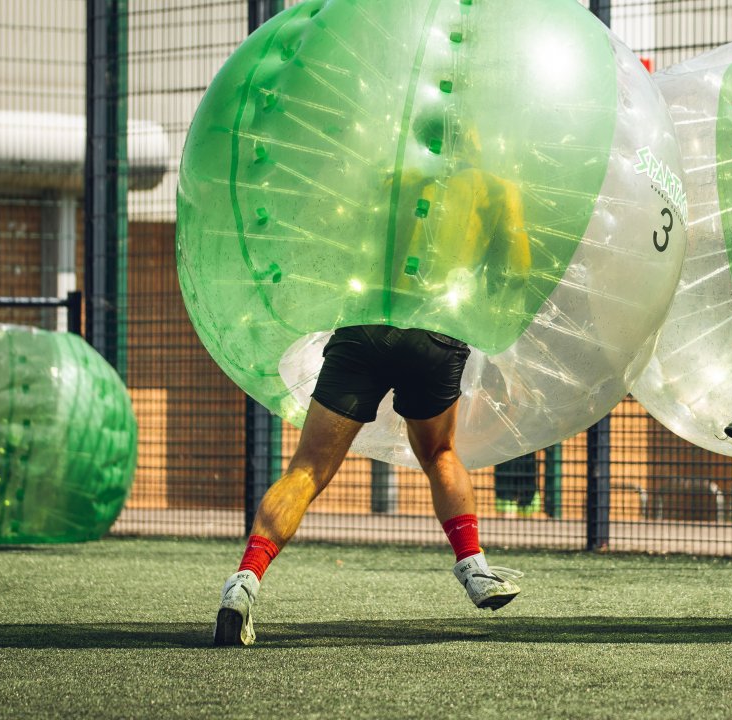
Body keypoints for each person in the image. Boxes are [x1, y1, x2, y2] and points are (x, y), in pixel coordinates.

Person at [215, 162, 533, 647]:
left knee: (307, 469)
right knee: (440, 454)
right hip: (437, 331)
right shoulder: (496, 186)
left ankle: (244, 582)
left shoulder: (394, 175)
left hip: (365, 325)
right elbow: (518, 272)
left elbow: (345, 242)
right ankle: (475, 569)